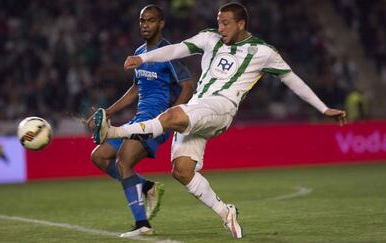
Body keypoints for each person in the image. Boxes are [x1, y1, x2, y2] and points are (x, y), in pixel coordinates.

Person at [94, 2, 347, 239]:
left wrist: (323, 108)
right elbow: (177, 49)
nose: (221, 28)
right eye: (219, 22)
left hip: (221, 107)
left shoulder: (263, 52)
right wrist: (144, 58)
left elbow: (293, 80)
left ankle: (113, 132)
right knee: (182, 172)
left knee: (171, 116)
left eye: (226, 23)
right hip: (198, 107)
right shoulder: (209, 38)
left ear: (241, 24)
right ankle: (226, 212)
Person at [87, 4, 194, 238]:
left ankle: (142, 224)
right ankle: (146, 187)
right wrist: (109, 111)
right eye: (142, 21)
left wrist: (172, 115)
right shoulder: (140, 52)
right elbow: (136, 88)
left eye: (151, 20)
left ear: (161, 23)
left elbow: (188, 85)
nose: (145, 25)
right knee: (99, 156)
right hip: (139, 119)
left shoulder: (170, 52)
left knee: (123, 162)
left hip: (157, 122)